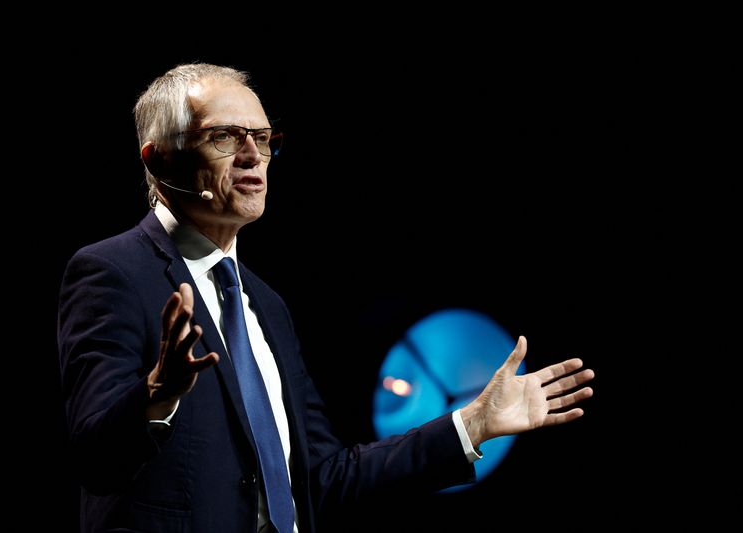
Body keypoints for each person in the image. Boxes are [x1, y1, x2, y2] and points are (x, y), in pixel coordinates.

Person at [58, 63, 595, 533]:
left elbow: (325, 478)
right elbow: (96, 458)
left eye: (264, 138)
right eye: (225, 136)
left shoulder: (266, 306)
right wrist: (158, 395)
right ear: (157, 161)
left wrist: (472, 424)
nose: (253, 155)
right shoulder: (111, 272)